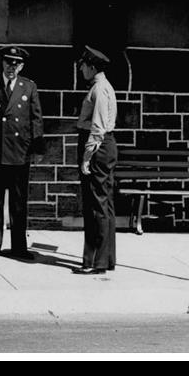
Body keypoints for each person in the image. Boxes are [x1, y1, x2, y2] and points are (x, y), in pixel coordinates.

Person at [0, 45, 44, 260]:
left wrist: (36, 148)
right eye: (7, 62)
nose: (11, 67)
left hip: (19, 153)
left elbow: (36, 119)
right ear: (2, 63)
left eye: (15, 63)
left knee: (18, 202)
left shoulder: (29, 87)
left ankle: (19, 247)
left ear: (21, 66)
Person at [72, 46, 118, 275]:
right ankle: (106, 259)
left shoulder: (99, 89)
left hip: (97, 147)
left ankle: (94, 262)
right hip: (105, 146)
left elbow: (98, 128)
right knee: (104, 204)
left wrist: (86, 158)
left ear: (91, 67)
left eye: (83, 66)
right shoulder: (104, 87)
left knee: (95, 205)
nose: (81, 70)